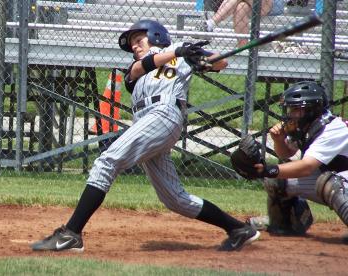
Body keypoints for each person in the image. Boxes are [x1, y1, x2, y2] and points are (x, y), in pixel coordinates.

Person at [30, 19, 260, 253]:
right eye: (132, 44)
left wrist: (201, 58)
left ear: (157, 36)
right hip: (148, 123)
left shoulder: (182, 53)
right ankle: (238, 229)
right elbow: (141, 68)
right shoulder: (140, 67)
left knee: (107, 161)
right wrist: (177, 52)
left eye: (138, 40)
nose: (135, 47)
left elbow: (222, 62)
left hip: (164, 114)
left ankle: (71, 234)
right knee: (175, 199)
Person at [248, 81, 348, 235]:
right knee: (278, 179)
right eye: (290, 108)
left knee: (333, 184)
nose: (290, 114)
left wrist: (267, 169)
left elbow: (306, 167)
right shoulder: (308, 126)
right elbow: (285, 154)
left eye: (295, 109)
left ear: (311, 110)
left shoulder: (333, 129)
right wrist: (279, 140)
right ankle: (286, 224)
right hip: (340, 177)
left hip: (341, 180)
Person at [202, 0, 285, 47]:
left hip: (273, 3)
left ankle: (210, 24)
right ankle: (243, 48)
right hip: (249, 3)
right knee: (241, 7)